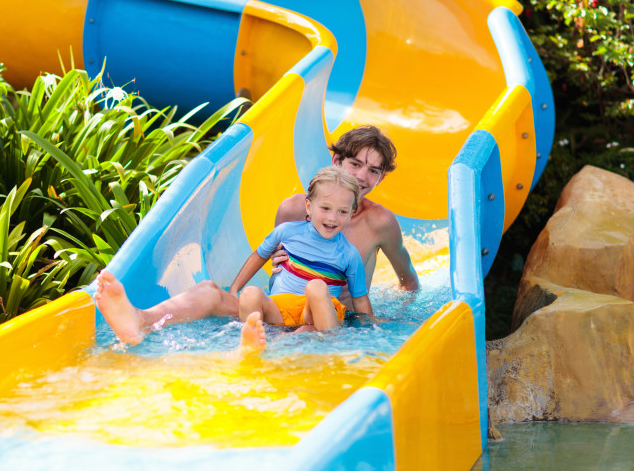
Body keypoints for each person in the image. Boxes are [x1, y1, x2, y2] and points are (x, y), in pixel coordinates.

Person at [93, 125, 419, 345]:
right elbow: (278, 270)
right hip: (281, 308)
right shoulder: (294, 211)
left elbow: (408, 281)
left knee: (306, 325)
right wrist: (240, 290)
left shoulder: (381, 223)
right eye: (354, 164)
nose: (362, 177)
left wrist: (390, 321)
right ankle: (141, 320)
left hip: (330, 323)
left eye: (373, 170)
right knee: (208, 290)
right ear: (336, 160)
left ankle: (256, 348)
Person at [230, 167, 371, 352]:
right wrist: (234, 289)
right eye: (325, 208)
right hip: (281, 309)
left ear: (351, 214)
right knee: (250, 294)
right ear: (308, 207)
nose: (332, 217)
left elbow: (360, 299)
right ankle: (251, 342)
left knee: (316, 286)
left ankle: (330, 346)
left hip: (317, 315)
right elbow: (260, 255)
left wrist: (369, 332)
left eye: (342, 212)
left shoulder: (349, 254)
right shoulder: (287, 232)